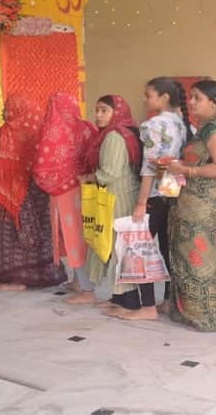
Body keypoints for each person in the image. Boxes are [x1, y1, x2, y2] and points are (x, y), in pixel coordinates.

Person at [163, 80, 216, 331]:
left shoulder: (215, 129)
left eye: (197, 98)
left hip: (204, 207)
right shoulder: (210, 126)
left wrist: (184, 170)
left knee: (200, 258)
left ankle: (206, 314)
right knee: (196, 257)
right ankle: (193, 310)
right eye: (191, 97)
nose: (191, 102)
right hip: (196, 203)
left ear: (214, 102)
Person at [0, 93, 66, 291]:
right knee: (38, 232)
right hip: (38, 193)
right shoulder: (39, 131)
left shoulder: (8, 133)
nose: (4, 112)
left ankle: (18, 279)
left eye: (8, 108)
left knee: (13, 237)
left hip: (11, 196)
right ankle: (39, 274)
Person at [128, 77, 190, 319]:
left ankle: (147, 306)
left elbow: (149, 168)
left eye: (148, 95)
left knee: (139, 247)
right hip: (172, 192)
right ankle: (167, 301)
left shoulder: (154, 125)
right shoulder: (185, 124)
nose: (144, 99)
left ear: (163, 98)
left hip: (154, 194)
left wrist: (141, 202)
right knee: (166, 248)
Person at [33, 93, 97, 304]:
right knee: (85, 236)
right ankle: (81, 281)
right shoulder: (87, 127)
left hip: (63, 193)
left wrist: (52, 184)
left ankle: (86, 289)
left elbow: (42, 166)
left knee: (71, 238)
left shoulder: (54, 130)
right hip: (87, 188)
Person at [82, 95, 143, 316]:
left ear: (116, 112)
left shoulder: (115, 136)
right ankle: (118, 298)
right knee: (114, 246)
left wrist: (88, 177)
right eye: (97, 110)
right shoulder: (119, 132)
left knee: (119, 247)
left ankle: (128, 301)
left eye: (104, 111)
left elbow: (110, 172)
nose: (98, 115)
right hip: (120, 194)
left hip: (118, 196)